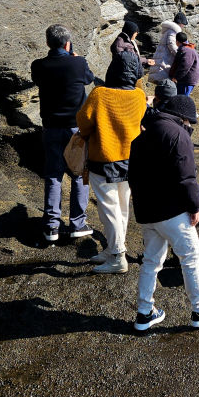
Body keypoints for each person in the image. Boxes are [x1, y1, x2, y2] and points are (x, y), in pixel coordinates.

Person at [128, 95, 199, 331]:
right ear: (183, 118)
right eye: (190, 122)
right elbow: (186, 177)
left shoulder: (140, 138)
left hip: (147, 211)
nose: (190, 126)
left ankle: (144, 313)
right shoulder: (178, 135)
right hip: (172, 210)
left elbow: (133, 177)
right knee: (191, 258)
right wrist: (195, 206)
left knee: (151, 261)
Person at [76, 52, 146, 274]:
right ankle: (113, 248)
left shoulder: (100, 93)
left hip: (103, 159)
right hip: (131, 159)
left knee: (109, 208)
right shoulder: (139, 95)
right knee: (122, 206)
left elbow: (83, 122)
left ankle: (117, 256)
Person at [30, 24, 95, 245]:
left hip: (51, 127)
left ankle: (51, 226)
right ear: (68, 44)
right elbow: (89, 78)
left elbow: (38, 79)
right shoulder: (79, 63)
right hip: (75, 128)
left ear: (47, 43)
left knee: (53, 176)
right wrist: (74, 57)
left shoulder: (39, 66)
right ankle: (77, 224)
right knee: (79, 174)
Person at [148, 11, 187, 83]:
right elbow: (171, 45)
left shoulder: (169, 31)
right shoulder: (172, 32)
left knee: (162, 84)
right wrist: (181, 55)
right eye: (183, 24)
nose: (183, 26)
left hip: (162, 60)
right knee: (164, 84)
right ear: (180, 23)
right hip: (164, 62)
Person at [169, 31, 199, 96]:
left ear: (177, 41)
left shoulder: (186, 50)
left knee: (182, 98)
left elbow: (185, 66)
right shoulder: (189, 48)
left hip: (187, 80)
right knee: (182, 97)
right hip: (188, 79)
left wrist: (176, 77)